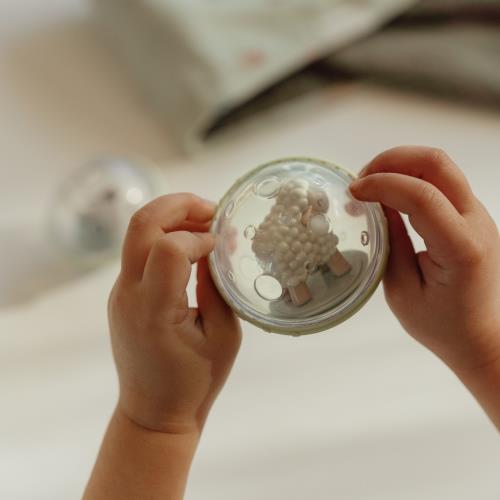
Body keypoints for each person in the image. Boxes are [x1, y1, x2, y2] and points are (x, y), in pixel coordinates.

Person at [83, 146, 500, 500]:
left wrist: (153, 421)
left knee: (318, 260)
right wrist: (483, 343)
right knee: (301, 273)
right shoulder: (283, 232)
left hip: (301, 250)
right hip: (291, 255)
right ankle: (300, 291)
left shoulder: (303, 224)